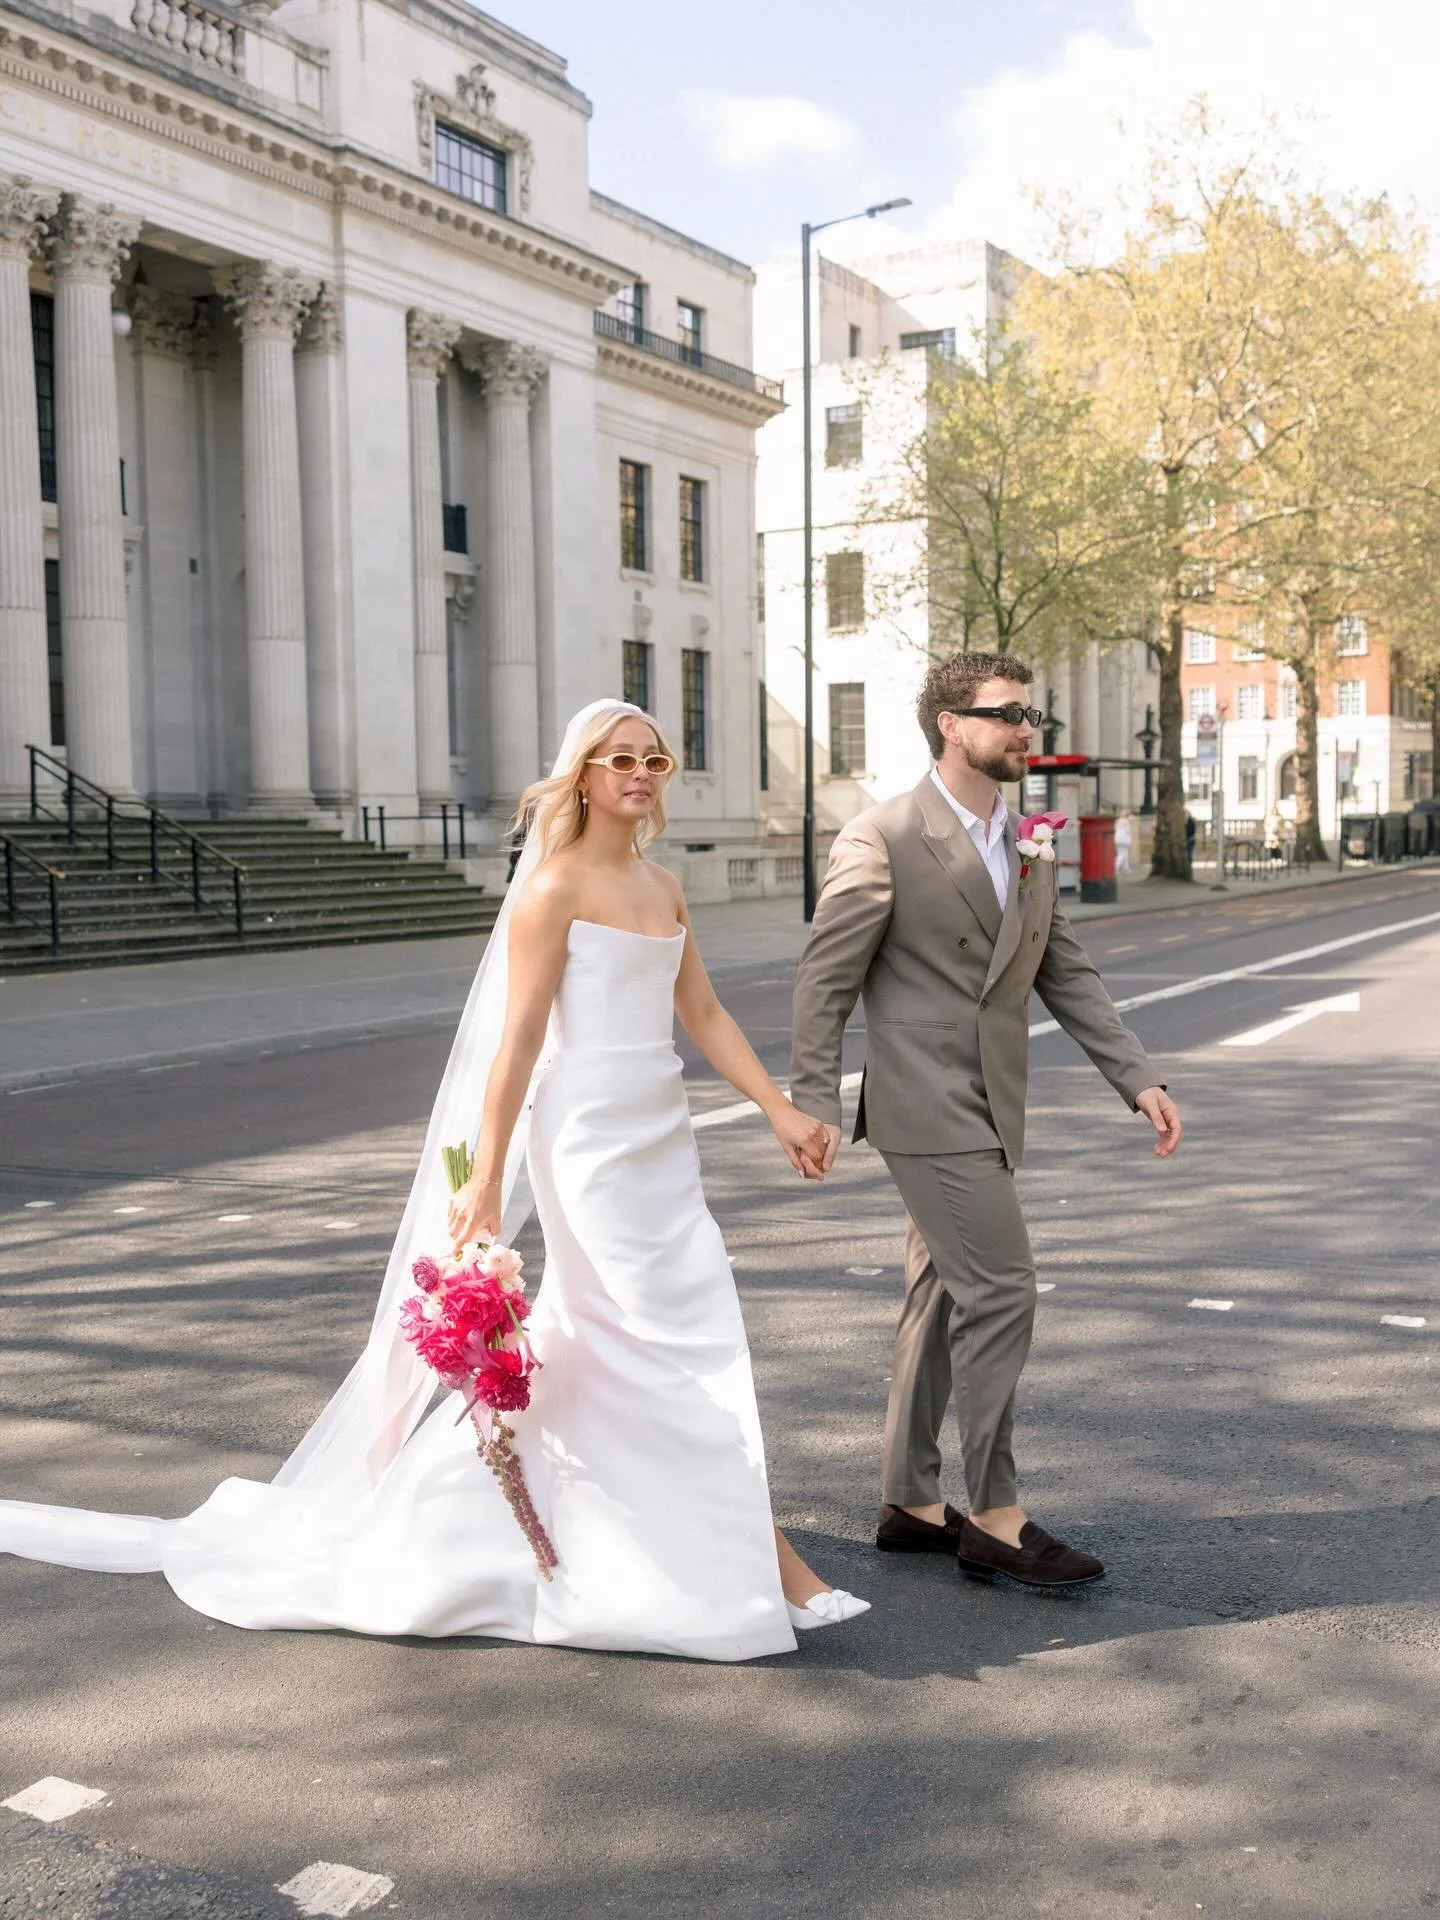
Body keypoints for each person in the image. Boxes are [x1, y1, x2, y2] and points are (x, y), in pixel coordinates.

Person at [0, 700, 867, 1659]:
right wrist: (486, 1176)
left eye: (653, 759)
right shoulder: (553, 890)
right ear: (580, 774)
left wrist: (778, 1108)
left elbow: (700, 1011)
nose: (639, 773)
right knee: (662, 1338)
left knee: (646, 1336)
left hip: (660, 1133)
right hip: (583, 1138)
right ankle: (766, 1556)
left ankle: (490, 1515)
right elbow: (518, 1042)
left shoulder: (664, 887)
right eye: (618, 758)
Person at [789, 651, 1183, 1591]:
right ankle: (997, 1514)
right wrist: (813, 1103)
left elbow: (1065, 970)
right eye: (1005, 714)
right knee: (1003, 1289)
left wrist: (1136, 1078)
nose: (1025, 728)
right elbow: (825, 980)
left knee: (939, 1293)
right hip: (928, 1100)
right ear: (950, 727)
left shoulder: (1027, 837)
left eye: (1029, 712)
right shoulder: (882, 836)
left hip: (994, 1098)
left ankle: (911, 1501)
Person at [1112, 808, 1133, 874]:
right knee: (1121, 854)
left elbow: (1115, 828)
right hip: (1124, 839)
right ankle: (1115, 867)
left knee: (1124, 854)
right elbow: (1128, 831)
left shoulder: (1118, 820)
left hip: (1117, 838)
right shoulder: (1127, 821)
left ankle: (1126, 868)